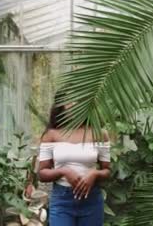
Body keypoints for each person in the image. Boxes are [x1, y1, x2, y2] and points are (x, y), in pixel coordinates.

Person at [37, 92, 111, 226]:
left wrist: (94, 173)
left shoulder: (99, 133)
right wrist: (64, 171)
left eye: (79, 101)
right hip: (62, 200)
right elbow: (42, 174)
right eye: (69, 102)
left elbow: (107, 171)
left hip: (92, 199)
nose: (74, 105)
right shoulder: (52, 135)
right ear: (61, 106)